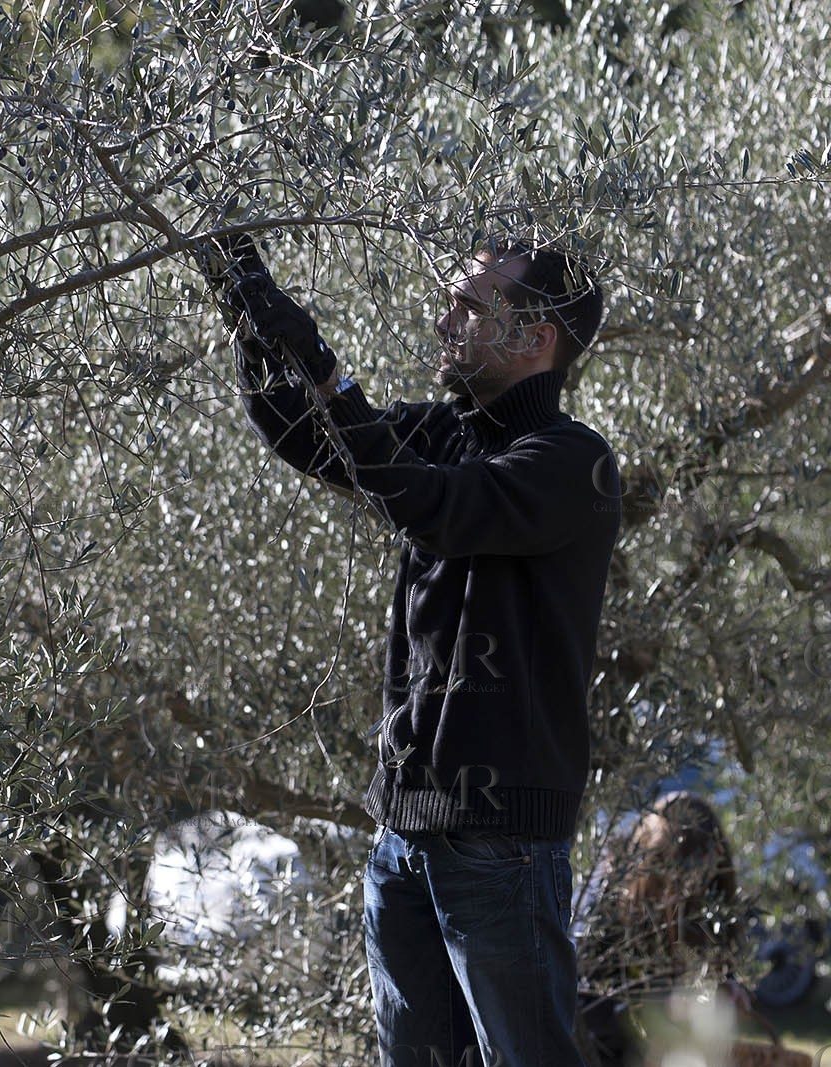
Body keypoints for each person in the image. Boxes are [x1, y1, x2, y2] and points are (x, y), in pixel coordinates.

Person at [213, 234, 620, 1066]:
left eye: (472, 306)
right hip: (405, 831)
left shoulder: (571, 464)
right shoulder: (445, 431)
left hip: (501, 841)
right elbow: (308, 437)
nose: (447, 321)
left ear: (535, 337)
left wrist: (323, 363)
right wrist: (251, 321)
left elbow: (429, 502)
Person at [575, 792, 750, 1065]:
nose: (678, 897)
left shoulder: (716, 902)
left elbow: (719, 964)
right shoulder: (609, 907)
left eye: (695, 885)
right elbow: (585, 1006)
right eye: (666, 880)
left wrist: (729, 984)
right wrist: (654, 1014)